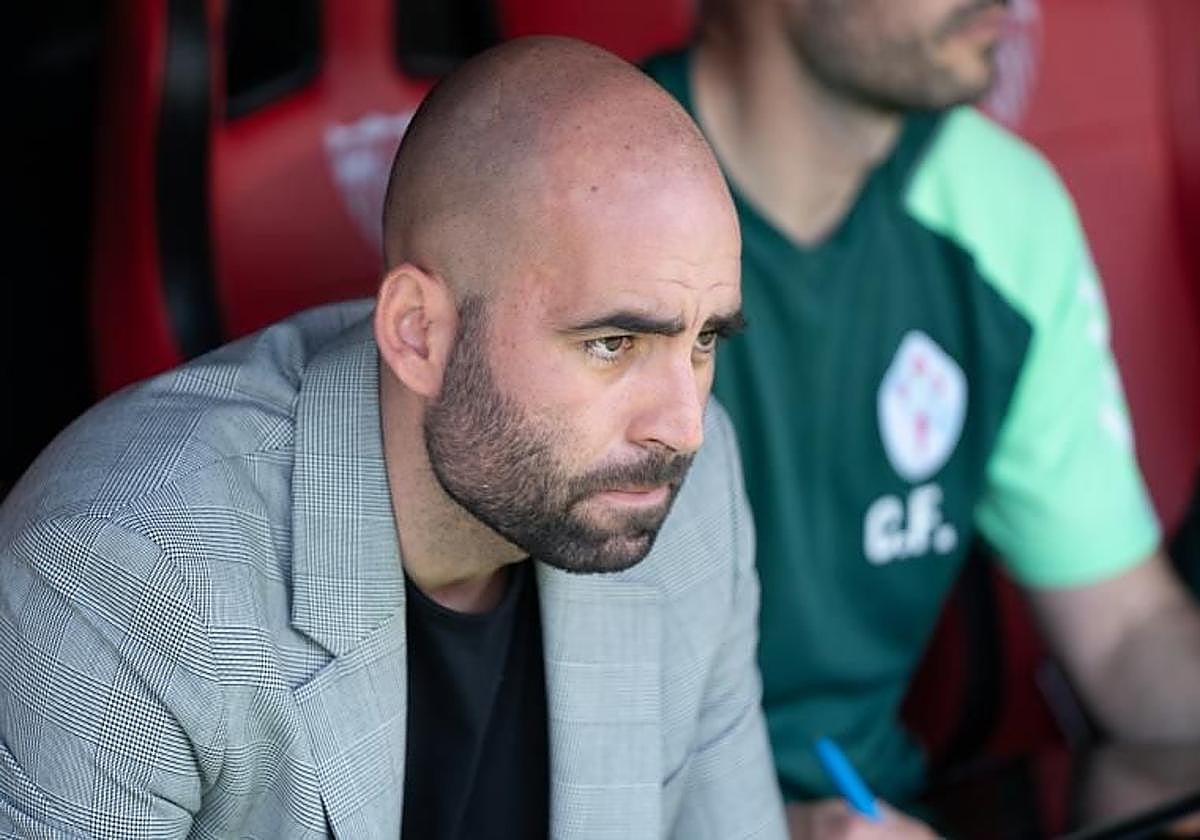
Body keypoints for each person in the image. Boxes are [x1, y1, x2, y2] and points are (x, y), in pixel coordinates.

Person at [0, 37, 788, 839]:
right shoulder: (125, 583)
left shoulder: (680, 489)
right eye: (612, 344)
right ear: (419, 334)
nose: (683, 425)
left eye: (704, 342)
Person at [645, 1, 1200, 836]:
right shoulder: (592, 204)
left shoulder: (1001, 207)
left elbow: (1124, 632)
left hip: (891, 813)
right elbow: (482, 742)